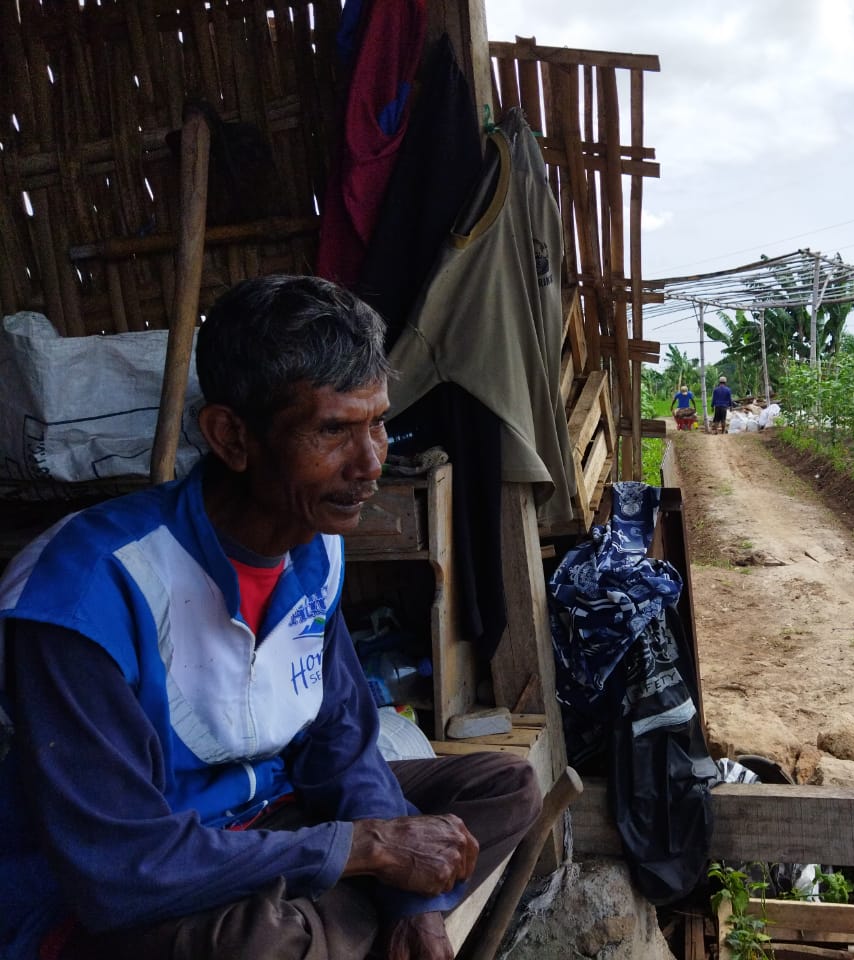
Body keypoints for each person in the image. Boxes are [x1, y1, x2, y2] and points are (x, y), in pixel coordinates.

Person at [0, 276, 541, 960]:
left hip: (269, 823)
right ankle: (324, 924)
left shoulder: (314, 553)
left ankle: (338, 923)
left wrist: (413, 897)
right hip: (119, 895)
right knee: (258, 943)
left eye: (377, 422)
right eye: (333, 430)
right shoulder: (86, 592)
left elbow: (340, 746)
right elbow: (121, 872)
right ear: (230, 436)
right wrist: (367, 849)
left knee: (504, 785)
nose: (372, 462)